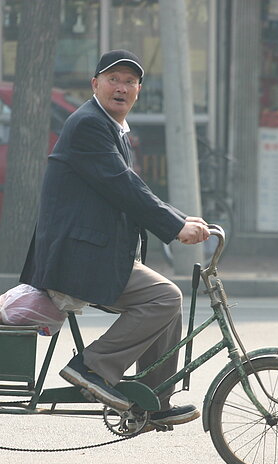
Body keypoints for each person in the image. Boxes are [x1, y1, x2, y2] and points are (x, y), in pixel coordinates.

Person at [20, 50, 211, 431]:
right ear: (95, 84)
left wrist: (179, 217)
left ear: (139, 90)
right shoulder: (90, 124)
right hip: (76, 257)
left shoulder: (110, 127)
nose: (121, 87)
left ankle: (153, 400)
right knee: (166, 297)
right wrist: (174, 227)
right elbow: (123, 186)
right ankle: (92, 367)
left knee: (167, 302)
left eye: (129, 81)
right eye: (113, 79)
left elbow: (127, 188)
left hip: (94, 251)